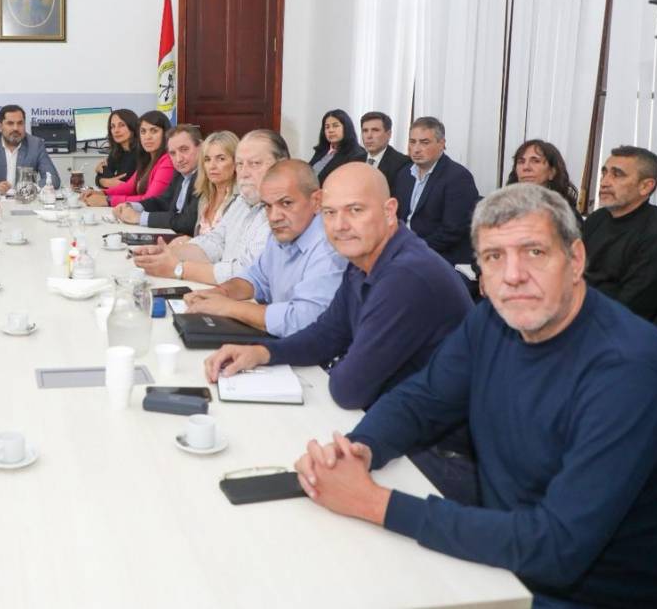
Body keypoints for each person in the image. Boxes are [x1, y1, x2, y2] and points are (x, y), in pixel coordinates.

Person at [291, 184, 657, 607]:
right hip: (503, 553)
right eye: (494, 257)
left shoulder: (626, 370)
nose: (513, 275)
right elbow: (422, 398)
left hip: (582, 592)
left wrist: (374, 503)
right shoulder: (494, 320)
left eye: (534, 252)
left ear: (576, 259)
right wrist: (362, 447)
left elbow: (558, 547)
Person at [204, 163, 475, 501]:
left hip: (437, 459)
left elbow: (349, 387)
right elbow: (327, 333)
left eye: (355, 210)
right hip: (393, 429)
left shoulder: (407, 275)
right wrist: (262, 352)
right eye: (330, 213)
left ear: (390, 211)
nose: (340, 225)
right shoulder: (365, 259)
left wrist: (340, 360)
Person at [183, 160, 346, 337]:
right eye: (268, 206)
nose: (274, 216)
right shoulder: (282, 233)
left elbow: (302, 320)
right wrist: (219, 293)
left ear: (316, 201)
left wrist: (228, 307)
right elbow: (256, 278)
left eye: (286, 203)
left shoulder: (330, 248)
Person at [131, 130, 286, 284]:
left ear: (282, 165)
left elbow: (248, 273)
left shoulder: (282, 214)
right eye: (240, 164)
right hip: (225, 293)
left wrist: (179, 268)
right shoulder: (242, 202)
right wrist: (166, 253)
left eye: (254, 163)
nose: (244, 173)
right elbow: (215, 241)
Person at [582, 146, 657, 324]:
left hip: (614, 330)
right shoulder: (597, 218)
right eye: (604, 173)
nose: (604, 182)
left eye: (617, 174)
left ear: (646, 186)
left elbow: (631, 307)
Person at [394, 116, 479, 266]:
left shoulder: (458, 177)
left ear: (442, 144)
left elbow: (452, 232)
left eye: (424, 142)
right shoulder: (404, 174)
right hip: (405, 249)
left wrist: (413, 249)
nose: (416, 149)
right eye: (412, 142)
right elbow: (397, 218)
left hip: (439, 256)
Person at [109, 123, 203, 233]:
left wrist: (139, 217)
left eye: (184, 149)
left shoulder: (206, 178)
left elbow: (188, 222)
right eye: (172, 153)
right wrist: (132, 206)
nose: (178, 159)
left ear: (201, 147)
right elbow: (163, 202)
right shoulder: (180, 173)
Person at [82, 111, 173, 208]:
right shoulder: (147, 159)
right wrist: (101, 193)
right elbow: (129, 187)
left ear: (165, 134)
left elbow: (149, 200)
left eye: (154, 131)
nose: (147, 137)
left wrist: (108, 200)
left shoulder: (167, 161)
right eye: (143, 131)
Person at [0, 104, 60, 192]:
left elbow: (54, 179)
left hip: (26, 202)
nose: (16, 128)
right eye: (10, 123)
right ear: (0, 126)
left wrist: (31, 188)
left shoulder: (36, 144)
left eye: (20, 123)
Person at [505, 138, 581, 220]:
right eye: (521, 162)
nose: (526, 167)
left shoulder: (566, 215)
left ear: (552, 172)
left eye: (535, 161)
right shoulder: (503, 208)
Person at [191, 131, 238, 235]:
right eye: (207, 159)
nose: (212, 166)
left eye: (221, 159)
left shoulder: (241, 200)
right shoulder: (204, 198)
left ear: (236, 162)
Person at [308, 109, 367, 184]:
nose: (330, 130)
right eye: (327, 127)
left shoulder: (357, 155)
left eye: (335, 126)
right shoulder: (322, 151)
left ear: (346, 128)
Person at [360, 111, 410, 196]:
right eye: (365, 131)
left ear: (388, 134)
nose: (369, 136)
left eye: (375, 130)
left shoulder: (402, 163)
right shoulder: (354, 160)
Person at [94, 109, 140, 188]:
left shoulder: (141, 152)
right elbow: (101, 179)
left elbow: (122, 183)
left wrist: (103, 172)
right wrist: (103, 180)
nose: (116, 130)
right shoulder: (116, 151)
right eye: (113, 126)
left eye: (121, 125)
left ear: (132, 127)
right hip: (117, 196)